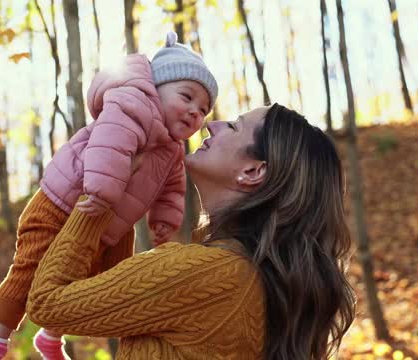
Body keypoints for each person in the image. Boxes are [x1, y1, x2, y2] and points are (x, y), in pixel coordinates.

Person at [25, 104, 357, 359]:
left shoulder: (205, 273)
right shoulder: (253, 280)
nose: (212, 123)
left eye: (233, 126)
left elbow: (45, 303)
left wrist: (100, 197)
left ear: (253, 170)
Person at [0, 31, 218, 360]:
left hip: (111, 223)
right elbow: (109, 146)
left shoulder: (172, 149)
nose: (193, 113)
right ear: (156, 88)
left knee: (101, 284)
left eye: (202, 110)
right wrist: (102, 190)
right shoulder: (132, 106)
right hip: (64, 204)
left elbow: (172, 189)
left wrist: (164, 220)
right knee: (29, 270)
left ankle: (50, 337)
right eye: (186, 97)